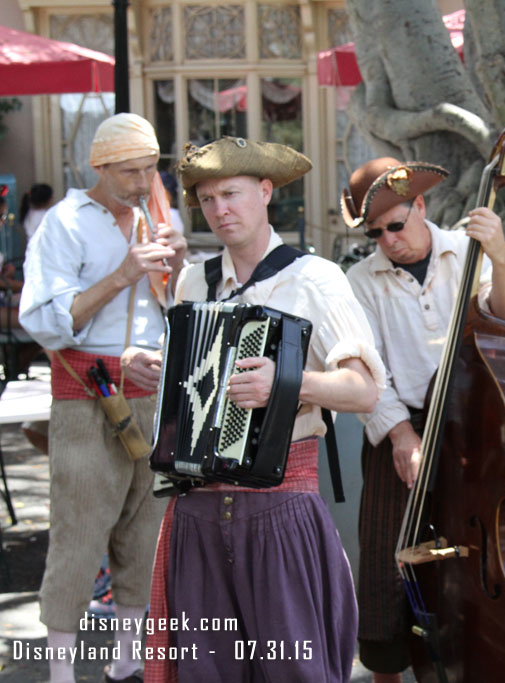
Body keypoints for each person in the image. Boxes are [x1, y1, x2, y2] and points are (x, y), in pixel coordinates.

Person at [137, 136, 386, 683]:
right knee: (206, 674)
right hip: (196, 511)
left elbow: (365, 391)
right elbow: (185, 388)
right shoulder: (193, 281)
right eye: (206, 199)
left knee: (294, 672)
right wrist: (150, 370)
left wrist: (287, 383)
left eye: (232, 193)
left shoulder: (314, 278)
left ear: (266, 191)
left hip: (280, 506)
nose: (219, 209)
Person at [343, 157, 505, 682]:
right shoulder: (360, 280)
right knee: (386, 554)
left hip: (471, 417)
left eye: (396, 226)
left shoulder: (467, 254)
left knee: (474, 549)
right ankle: (387, 672)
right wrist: (402, 435)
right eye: (375, 233)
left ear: (420, 205)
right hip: (398, 419)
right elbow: (367, 367)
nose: (388, 240)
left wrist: (500, 254)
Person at [17, 112, 187, 683]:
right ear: (100, 166)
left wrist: (178, 264)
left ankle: (127, 661)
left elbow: (176, 308)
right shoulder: (64, 222)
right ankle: (60, 671)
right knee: (79, 534)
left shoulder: (158, 215)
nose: (143, 184)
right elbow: (44, 322)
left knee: (146, 531)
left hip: (155, 391)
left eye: (150, 170)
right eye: (131, 172)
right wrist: (122, 274)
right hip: (90, 394)